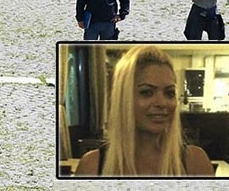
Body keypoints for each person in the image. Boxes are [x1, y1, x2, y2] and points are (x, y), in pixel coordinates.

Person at [75, 46, 214, 176]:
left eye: (169, 93)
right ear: (124, 99)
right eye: (147, 92)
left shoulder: (195, 162)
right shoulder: (91, 166)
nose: (162, 103)